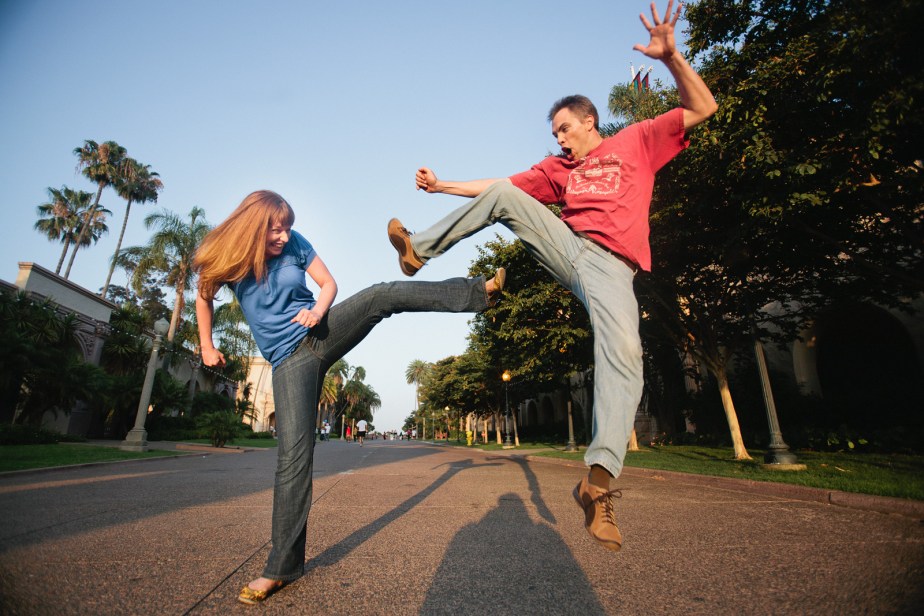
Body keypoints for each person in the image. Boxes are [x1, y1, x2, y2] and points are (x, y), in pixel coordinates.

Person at [386, 0, 716, 552]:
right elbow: (500, 188)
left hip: (614, 268)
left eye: (565, 129)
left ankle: (599, 485)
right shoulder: (557, 171)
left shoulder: (636, 140)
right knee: (504, 194)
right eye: (555, 133)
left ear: (589, 119)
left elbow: (703, 107)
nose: (560, 140)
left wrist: (673, 58)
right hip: (569, 248)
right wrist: (442, 186)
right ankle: (418, 250)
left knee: (624, 357)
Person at [194, 190, 505, 604]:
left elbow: (329, 283)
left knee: (381, 295)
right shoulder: (229, 257)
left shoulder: (296, 242)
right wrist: (206, 346)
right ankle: (281, 568)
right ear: (253, 225)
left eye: (287, 227)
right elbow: (203, 296)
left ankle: (479, 293)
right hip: (289, 361)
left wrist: (319, 309)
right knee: (293, 461)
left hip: (320, 332)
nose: (285, 236)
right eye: (276, 229)